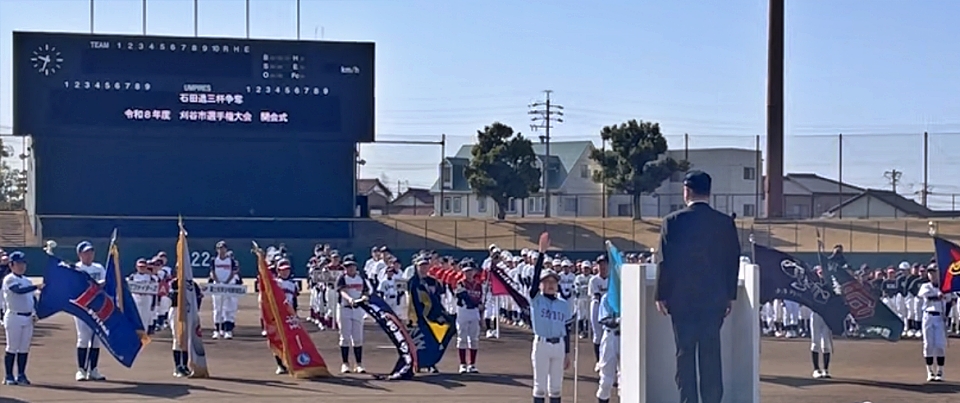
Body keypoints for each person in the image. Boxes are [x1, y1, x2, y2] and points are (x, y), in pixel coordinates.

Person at [654, 170, 740, 403]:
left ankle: (687, 400)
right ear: (709, 192)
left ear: (687, 190)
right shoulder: (724, 223)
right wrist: (729, 295)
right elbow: (732, 259)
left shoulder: (673, 221)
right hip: (714, 299)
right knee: (711, 353)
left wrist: (661, 294)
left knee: (685, 354)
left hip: (681, 300)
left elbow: (665, 261)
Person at [528, 232, 571, 403]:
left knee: (556, 387)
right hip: (542, 344)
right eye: (547, 281)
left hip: (559, 345)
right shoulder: (536, 299)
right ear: (541, 285)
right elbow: (533, 281)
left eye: (554, 282)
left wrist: (567, 352)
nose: (551, 284)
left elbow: (566, 328)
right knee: (540, 387)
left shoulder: (563, 303)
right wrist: (541, 253)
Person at [3, 251, 40, 385]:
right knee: (12, 347)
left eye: (23, 263)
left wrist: (36, 313)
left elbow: (32, 299)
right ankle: (8, 375)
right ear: (12, 265)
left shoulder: (27, 280)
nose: (21, 266)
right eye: (18, 263)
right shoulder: (9, 279)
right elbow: (17, 290)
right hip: (14, 316)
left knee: (24, 348)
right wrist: (36, 286)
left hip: (27, 317)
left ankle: (21, 374)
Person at [73, 241, 108, 382]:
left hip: (97, 307)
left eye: (91, 252)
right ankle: (81, 369)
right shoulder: (76, 268)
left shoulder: (99, 267)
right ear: (80, 254)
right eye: (86, 252)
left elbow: (106, 282)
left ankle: (93, 369)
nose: (89, 255)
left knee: (96, 340)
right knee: (83, 338)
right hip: (82, 308)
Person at [336, 256, 370, 374]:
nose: (350, 269)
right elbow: (342, 291)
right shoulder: (342, 278)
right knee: (345, 337)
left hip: (358, 309)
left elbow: (366, 291)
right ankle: (345, 363)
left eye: (352, 266)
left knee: (358, 337)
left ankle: (359, 364)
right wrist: (350, 299)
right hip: (345, 309)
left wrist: (364, 297)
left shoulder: (361, 278)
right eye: (347, 267)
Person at [919, 265, 952, 382]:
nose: (932, 275)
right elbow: (927, 296)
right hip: (928, 316)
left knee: (940, 345)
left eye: (934, 272)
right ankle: (929, 371)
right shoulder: (925, 286)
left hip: (940, 317)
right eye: (930, 273)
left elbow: (949, 301)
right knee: (928, 345)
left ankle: (940, 371)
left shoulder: (945, 287)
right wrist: (939, 295)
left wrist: (946, 315)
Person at [169, 272, 204, 378]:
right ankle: (178, 366)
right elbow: (171, 297)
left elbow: (199, 297)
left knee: (187, 338)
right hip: (176, 310)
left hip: (189, 312)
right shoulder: (174, 283)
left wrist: (196, 311)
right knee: (177, 338)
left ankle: (185, 365)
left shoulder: (193, 284)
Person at [455, 260, 484, 374]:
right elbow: (463, 298)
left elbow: (480, 299)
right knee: (462, 338)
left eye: (471, 271)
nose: (469, 274)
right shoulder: (460, 284)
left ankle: (472, 364)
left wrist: (481, 308)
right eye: (467, 271)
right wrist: (476, 304)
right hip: (463, 311)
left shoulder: (479, 285)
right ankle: (463, 364)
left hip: (474, 312)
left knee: (474, 339)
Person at [209, 241, 240, 340]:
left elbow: (233, 272)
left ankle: (228, 330)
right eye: (219, 248)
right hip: (217, 285)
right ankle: (217, 329)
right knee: (217, 308)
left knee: (229, 308)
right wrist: (217, 281)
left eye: (223, 248)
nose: (221, 250)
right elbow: (212, 272)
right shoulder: (214, 260)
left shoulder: (231, 261)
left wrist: (226, 282)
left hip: (229, 285)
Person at [273, 260, 298, 374]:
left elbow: (294, 300)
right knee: (277, 341)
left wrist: (295, 315)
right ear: (278, 271)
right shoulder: (274, 283)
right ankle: (280, 365)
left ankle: (291, 363)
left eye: (287, 270)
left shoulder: (293, 284)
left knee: (291, 340)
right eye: (282, 270)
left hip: (290, 315)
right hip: (277, 315)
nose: (285, 272)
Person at [596, 290, 621, 403]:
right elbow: (605, 319)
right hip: (611, 336)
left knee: (625, 380)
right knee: (606, 380)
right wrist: (618, 320)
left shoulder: (632, 295)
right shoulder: (607, 297)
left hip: (627, 337)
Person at [127, 258, 159, 335]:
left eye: (143, 267)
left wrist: (153, 304)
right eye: (140, 267)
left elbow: (154, 293)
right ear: (136, 267)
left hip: (146, 301)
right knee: (134, 318)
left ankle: (144, 335)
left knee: (145, 320)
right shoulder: (132, 277)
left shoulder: (151, 278)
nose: (142, 268)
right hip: (135, 300)